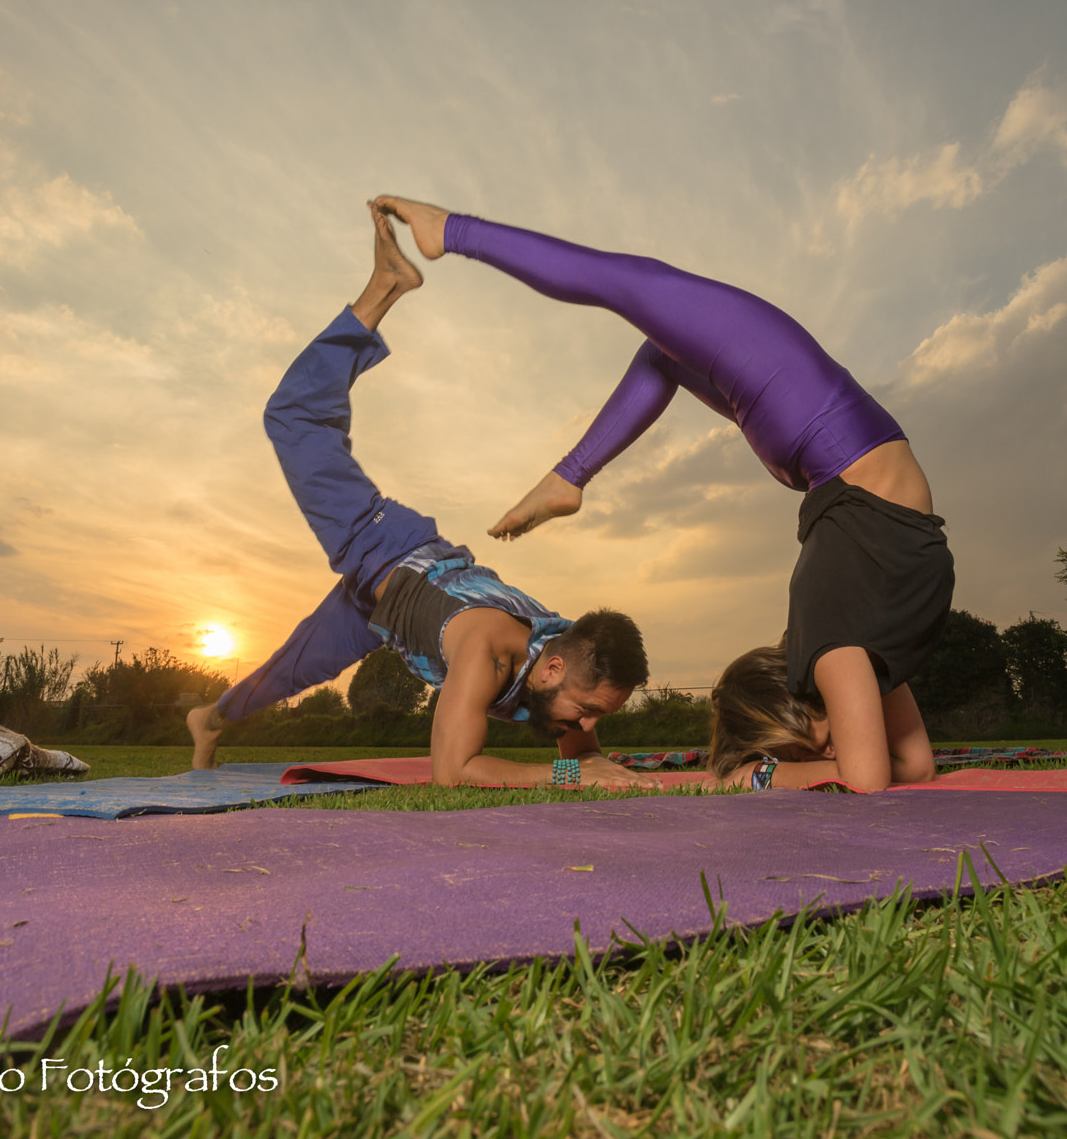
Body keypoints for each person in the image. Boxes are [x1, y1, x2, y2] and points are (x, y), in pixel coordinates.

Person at [371, 195, 950, 793]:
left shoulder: (835, 641)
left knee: (636, 300)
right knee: (639, 301)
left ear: (800, 698)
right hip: (833, 458)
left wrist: (760, 775)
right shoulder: (846, 642)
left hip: (830, 461)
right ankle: (567, 473)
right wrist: (769, 773)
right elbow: (894, 775)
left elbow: (867, 778)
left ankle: (454, 234)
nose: (847, 737)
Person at [186, 208, 656, 789]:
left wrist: (596, 762)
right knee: (294, 416)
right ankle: (383, 285)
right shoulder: (489, 651)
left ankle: (208, 720)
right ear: (552, 668)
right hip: (386, 550)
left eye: (595, 717)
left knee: (290, 670)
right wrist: (573, 776)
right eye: (588, 712)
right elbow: (452, 773)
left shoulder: (562, 670)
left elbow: (583, 754)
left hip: (380, 611)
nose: (585, 725)